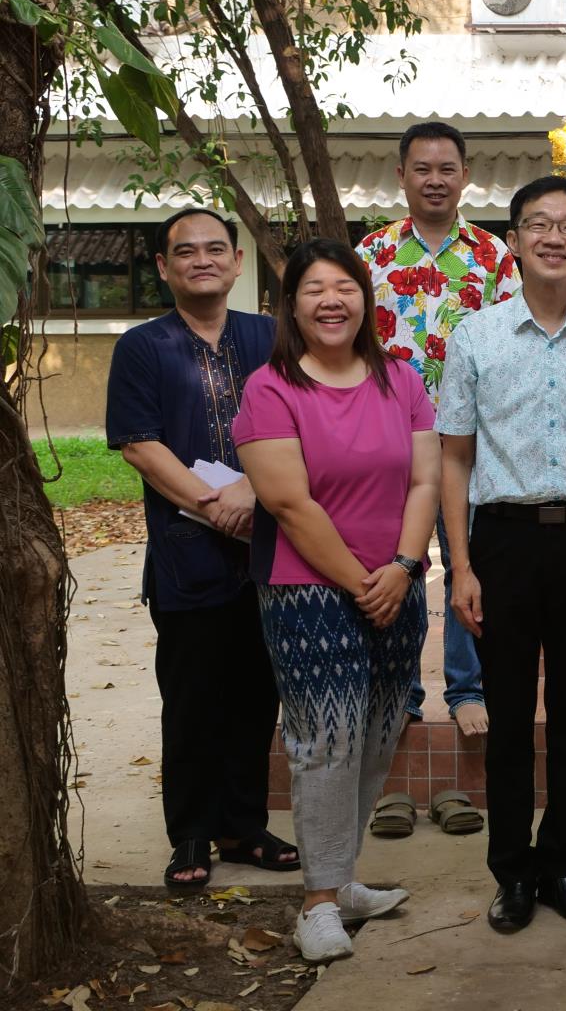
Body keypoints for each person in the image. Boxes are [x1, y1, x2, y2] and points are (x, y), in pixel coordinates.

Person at [436, 175, 566, 933]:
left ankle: (563, 864)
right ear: (515, 240)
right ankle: (512, 871)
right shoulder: (477, 336)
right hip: (503, 541)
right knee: (508, 715)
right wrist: (461, 567)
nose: (553, 238)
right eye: (538, 224)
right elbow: (454, 458)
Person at [233, 238, 438, 961]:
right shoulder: (270, 388)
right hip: (307, 591)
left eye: (344, 286)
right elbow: (289, 503)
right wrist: (363, 581)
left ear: (364, 299)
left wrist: (404, 568)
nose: (331, 300)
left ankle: (341, 877)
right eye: (314, 288)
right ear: (290, 306)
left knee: (378, 733)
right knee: (327, 741)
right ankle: (318, 903)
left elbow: (425, 480)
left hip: (397, 584)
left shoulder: (401, 379)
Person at [106, 207, 294, 890]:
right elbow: (139, 443)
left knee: (256, 695)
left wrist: (253, 489)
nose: (203, 260)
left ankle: (243, 827)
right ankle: (190, 832)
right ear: (164, 266)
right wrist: (216, 505)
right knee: (191, 699)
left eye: (217, 249)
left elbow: (302, 419)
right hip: (187, 551)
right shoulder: (142, 347)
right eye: (186, 251)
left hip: (270, 547)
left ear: (239, 262)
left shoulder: (270, 335)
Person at [358, 120, 520, 744]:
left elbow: (511, 348)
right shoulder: (370, 256)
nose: (434, 180)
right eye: (421, 169)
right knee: (393, 564)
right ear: (401, 176)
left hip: (466, 444)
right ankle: (398, 689)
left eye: (446, 169)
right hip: (387, 438)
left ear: (465, 176)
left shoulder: (494, 257)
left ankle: (467, 687)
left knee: (466, 563)